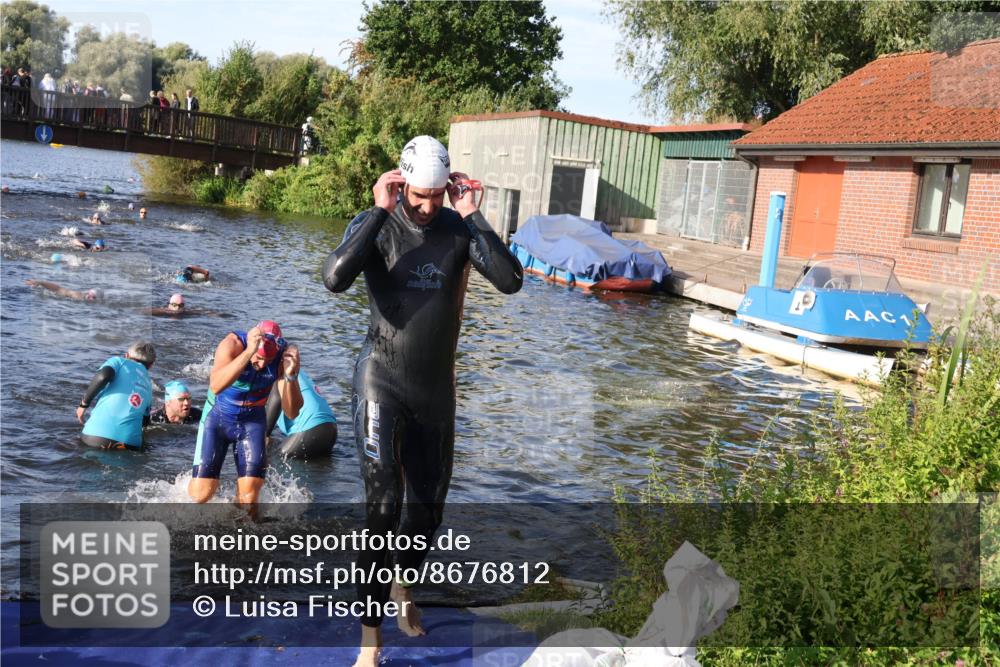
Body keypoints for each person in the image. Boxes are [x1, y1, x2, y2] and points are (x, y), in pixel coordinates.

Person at [322, 135, 523, 666]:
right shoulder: (378, 223)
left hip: (434, 392)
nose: (428, 206)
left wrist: (474, 215)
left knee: (427, 513)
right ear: (401, 182)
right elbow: (334, 278)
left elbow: (510, 281)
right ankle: (370, 640)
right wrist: (377, 210)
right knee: (383, 506)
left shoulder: (458, 228)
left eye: (438, 195)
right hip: (380, 380)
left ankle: (402, 588)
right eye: (419, 195)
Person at [187, 321, 303, 508]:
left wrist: (290, 375)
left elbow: (291, 412)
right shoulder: (232, 344)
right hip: (217, 417)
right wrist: (249, 352)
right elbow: (216, 385)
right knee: (201, 496)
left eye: (268, 360)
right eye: (258, 358)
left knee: (249, 501)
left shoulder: (284, 356)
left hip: (252, 422)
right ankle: (198, 479)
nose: (262, 364)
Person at [77, 342, 156, 449]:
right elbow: (145, 422)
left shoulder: (119, 362)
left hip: (95, 436)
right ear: (151, 365)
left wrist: (83, 405)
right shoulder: (149, 385)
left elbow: (103, 376)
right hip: (130, 443)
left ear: (126, 355)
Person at [264, 369, 337, 458]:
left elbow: (276, 398)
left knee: (274, 458)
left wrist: (264, 435)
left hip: (308, 429)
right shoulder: (294, 367)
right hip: (330, 429)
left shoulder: (276, 367)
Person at [147, 292, 220, 318]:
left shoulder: (188, 312)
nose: (177, 309)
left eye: (180, 306)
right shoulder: (162, 311)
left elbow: (202, 312)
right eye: (175, 305)